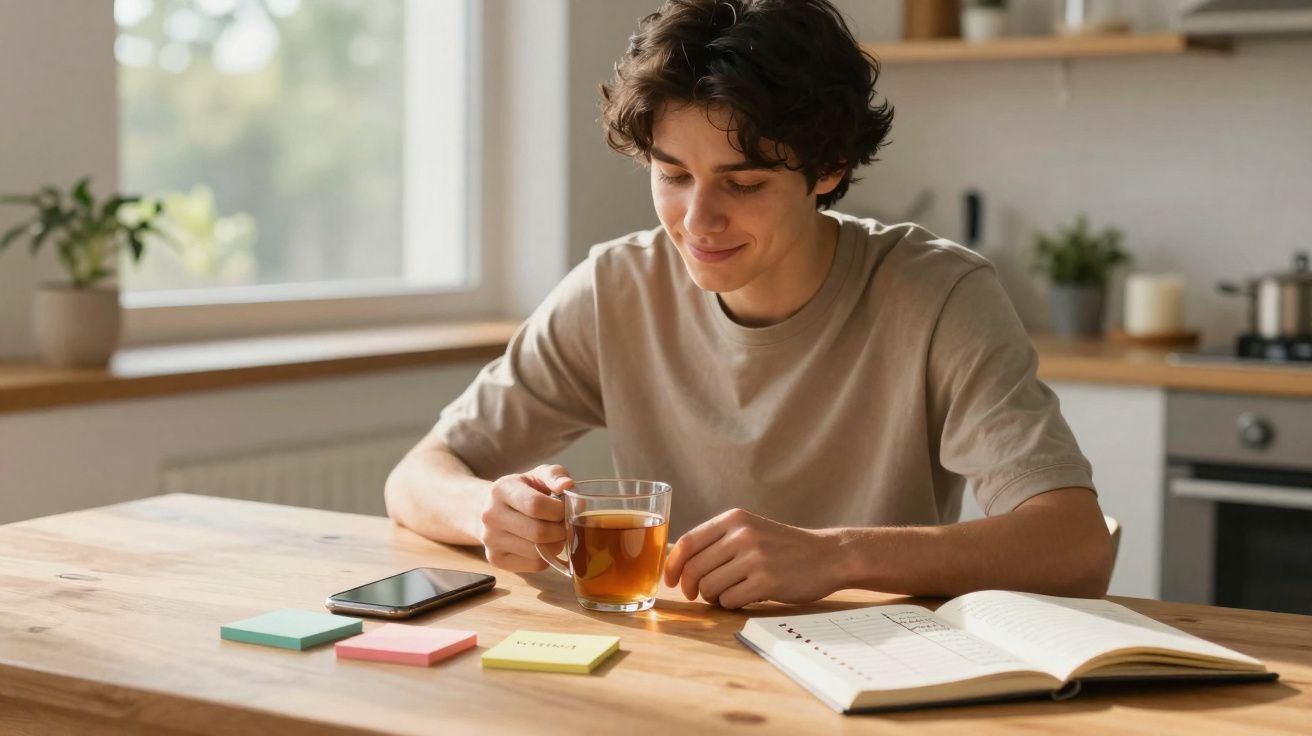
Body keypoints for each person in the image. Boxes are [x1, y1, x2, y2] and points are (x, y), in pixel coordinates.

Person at [385, 0, 1114, 610]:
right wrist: (487, 511)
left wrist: (837, 556)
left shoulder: (939, 295)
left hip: (877, 681)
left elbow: (1075, 546)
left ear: (828, 169)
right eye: (672, 175)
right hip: (682, 663)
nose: (697, 222)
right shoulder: (616, 289)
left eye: (744, 184)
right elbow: (420, 474)